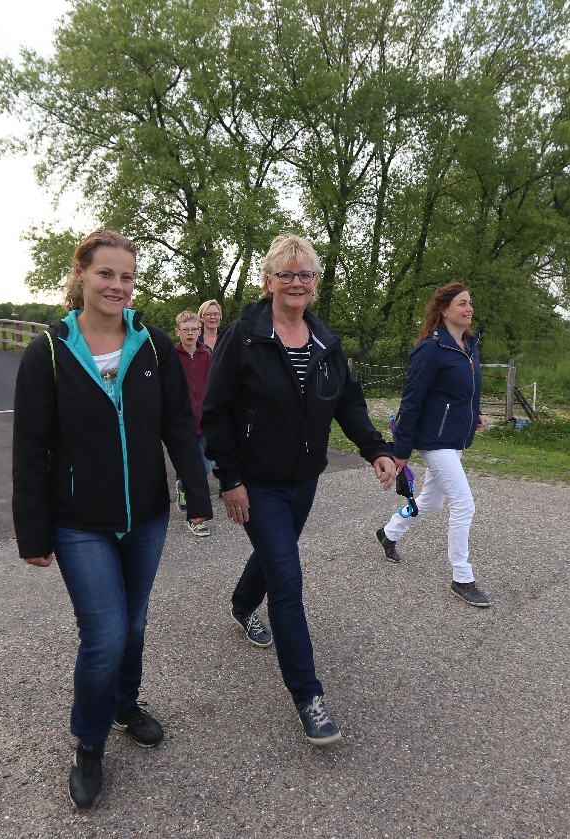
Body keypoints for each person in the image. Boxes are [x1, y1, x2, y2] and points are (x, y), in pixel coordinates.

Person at [12, 230, 213, 809]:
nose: (117, 286)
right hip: (79, 521)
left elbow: (178, 425)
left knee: (135, 625)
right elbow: (30, 448)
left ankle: (125, 705)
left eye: (127, 276)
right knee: (103, 636)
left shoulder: (150, 344)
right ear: (80, 274)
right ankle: (90, 741)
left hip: (145, 516)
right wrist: (32, 530)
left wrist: (196, 494)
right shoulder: (49, 352)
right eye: (106, 273)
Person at [201, 233, 396, 746]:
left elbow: (348, 404)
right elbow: (215, 412)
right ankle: (308, 696)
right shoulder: (244, 336)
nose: (296, 282)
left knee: (276, 554)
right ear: (268, 282)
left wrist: (376, 449)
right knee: (287, 579)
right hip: (256, 481)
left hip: (304, 480)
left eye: (305, 274)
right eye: (285, 274)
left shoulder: (325, 342)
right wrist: (230, 479)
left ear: (315, 282)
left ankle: (242, 604)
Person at [373, 282, 491, 608]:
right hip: (435, 440)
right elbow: (412, 400)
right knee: (464, 504)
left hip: (454, 437)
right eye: (462, 303)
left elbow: (467, 391)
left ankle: (390, 532)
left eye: (470, 303)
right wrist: (400, 451)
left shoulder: (468, 346)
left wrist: (475, 414)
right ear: (444, 310)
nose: (469, 308)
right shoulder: (431, 348)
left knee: (433, 500)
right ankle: (462, 577)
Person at [173, 310, 213, 537]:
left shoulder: (207, 355)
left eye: (194, 329)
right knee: (192, 468)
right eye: (185, 329)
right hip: (182, 422)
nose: (190, 333)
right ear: (177, 331)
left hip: (204, 422)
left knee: (205, 467)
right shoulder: (171, 356)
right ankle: (196, 516)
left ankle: (182, 485)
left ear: (200, 331)